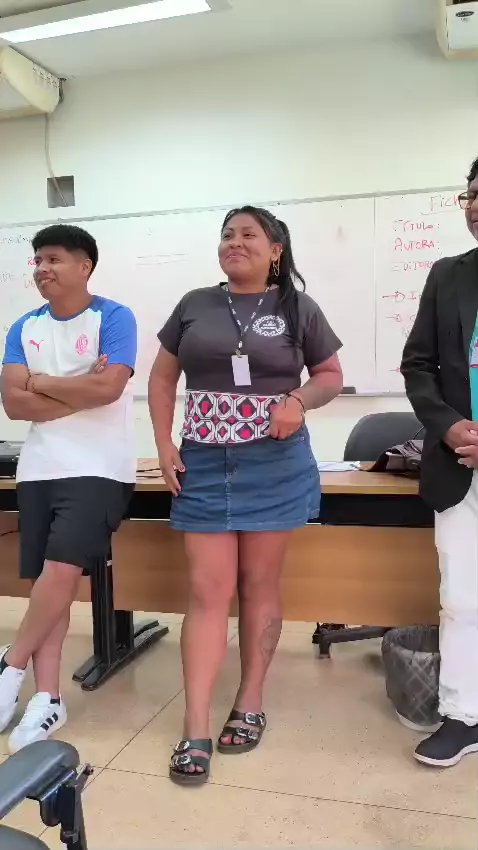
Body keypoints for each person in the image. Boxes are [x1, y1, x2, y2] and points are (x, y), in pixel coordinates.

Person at [149, 205, 343, 785]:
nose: (235, 242)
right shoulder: (194, 304)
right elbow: (162, 377)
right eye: (227, 234)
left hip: (274, 462)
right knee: (208, 591)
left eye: (249, 234)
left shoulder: (298, 308)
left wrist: (297, 401)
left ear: (275, 250)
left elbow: (330, 375)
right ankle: (196, 725)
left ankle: (251, 700)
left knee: (259, 584)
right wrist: (163, 443)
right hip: (204, 463)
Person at [0, 224, 137, 753]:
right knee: (47, 585)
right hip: (39, 468)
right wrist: (80, 387)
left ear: (85, 266)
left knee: (61, 571)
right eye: (37, 260)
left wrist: (41, 383)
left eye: (53, 259)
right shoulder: (24, 327)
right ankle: (48, 698)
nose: (42, 269)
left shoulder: (114, 317)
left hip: (98, 466)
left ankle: (10, 666)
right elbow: (15, 405)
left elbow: (110, 387)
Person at [401, 158, 478, 768]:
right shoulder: (448, 274)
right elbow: (418, 365)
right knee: (463, 596)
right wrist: (448, 424)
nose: (474, 205)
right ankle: (462, 714)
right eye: (470, 195)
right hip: (459, 464)